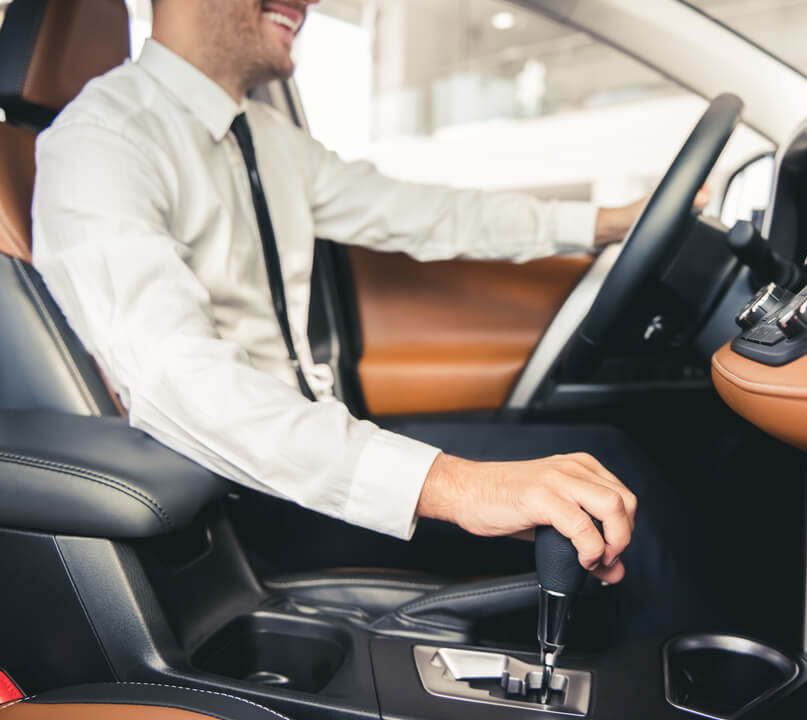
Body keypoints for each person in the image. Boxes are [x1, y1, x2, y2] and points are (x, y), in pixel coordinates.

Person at [32, 0, 653, 584]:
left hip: (319, 440)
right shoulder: (100, 143)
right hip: (243, 498)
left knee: (607, 456)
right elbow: (180, 379)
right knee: (612, 504)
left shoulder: (268, 136)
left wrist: (605, 223)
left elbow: (424, 212)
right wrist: (458, 487)